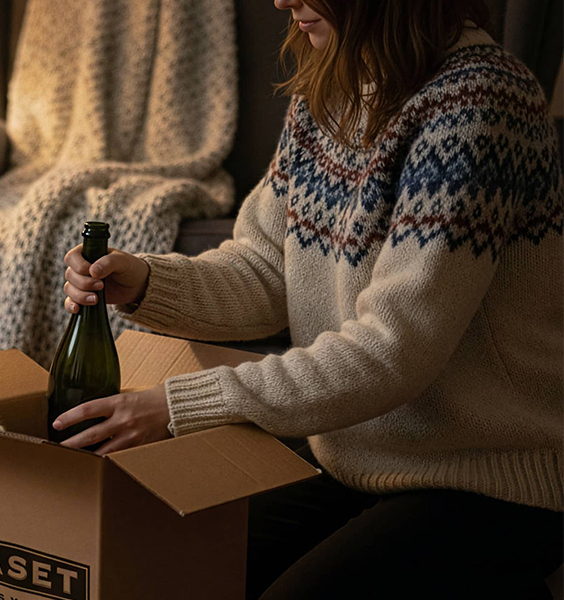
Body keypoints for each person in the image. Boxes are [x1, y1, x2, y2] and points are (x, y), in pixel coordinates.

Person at [52, 0, 563, 597]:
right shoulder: (330, 93)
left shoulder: (480, 101)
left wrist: (174, 405)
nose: (282, 0)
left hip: (488, 479)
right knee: (167, 566)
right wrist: (144, 281)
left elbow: (393, 351)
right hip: (353, 458)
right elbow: (268, 270)